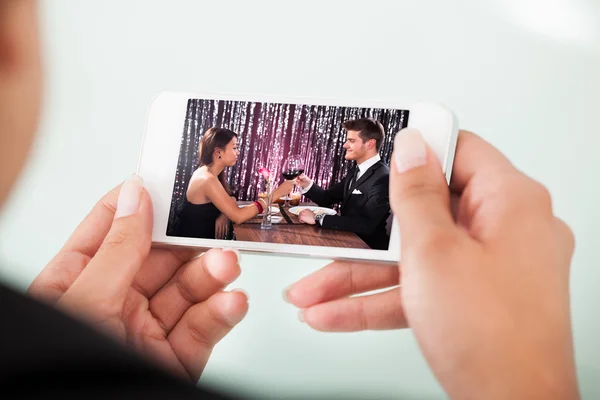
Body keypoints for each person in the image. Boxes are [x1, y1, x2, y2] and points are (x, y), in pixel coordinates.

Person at [0, 1, 580, 399]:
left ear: (373, 143)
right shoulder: (209, 179)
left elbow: (350, 210)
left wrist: (296, 198)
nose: (346, 144)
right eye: (233, 150)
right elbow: (245, 215)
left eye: (352, 139)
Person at [171, 127, 294, 240]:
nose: (238, 152)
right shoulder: (207, 179)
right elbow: (238, 216)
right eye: (234, 148)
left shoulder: (208, 172)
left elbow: (229, 200)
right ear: (218, 152)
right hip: (193, 247)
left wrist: (224, 212)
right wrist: (275, 194)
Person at [294, 118, 391, 250]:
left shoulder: (384, 178)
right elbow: (326, 199)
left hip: (367, 250)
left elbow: (367, 224)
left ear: (370, 144)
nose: (345, 145)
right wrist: (307, 183)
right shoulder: (356, 170)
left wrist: (318, 218)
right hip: (345, 240)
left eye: (351, 141)